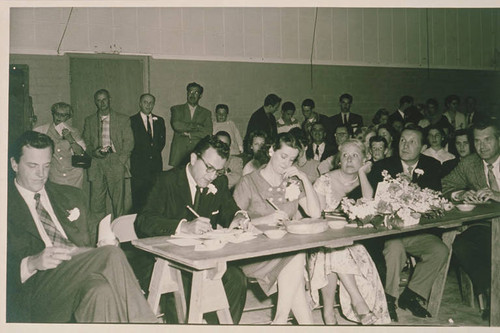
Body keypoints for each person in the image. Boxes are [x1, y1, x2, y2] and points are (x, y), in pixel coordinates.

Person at [7, 131, 156, 323]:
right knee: (111, 255)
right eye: (33, 166)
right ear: (14, 164)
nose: (41, 174)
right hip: (35, 291)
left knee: (101, 291)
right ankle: (146, 324)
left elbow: (96, 234)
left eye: (46, 166)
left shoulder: (71, 195)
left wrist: (109, 240)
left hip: (79, 274)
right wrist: (31, 263)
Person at [135, 135, 247, 324]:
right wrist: (183, 226)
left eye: (218, 171)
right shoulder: (165, 181)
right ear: (194, 159)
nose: (212, 176)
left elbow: (230, 209)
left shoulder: (218, 183)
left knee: (236, 280)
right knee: (181, 294)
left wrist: (239, 216)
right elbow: (143, 221)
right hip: (165, 261)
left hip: (202, 260)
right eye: (209, 168)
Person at [232, 132, 321, 324]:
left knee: (294, 259)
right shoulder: (249, 182)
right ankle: (281, 321)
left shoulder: (291, 182)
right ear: (271, 150)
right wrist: (266, 219)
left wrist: (304, 178)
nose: (287, 163)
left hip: (284, 249)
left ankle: (286, 322)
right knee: (295, 257)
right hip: (252, 251)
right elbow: (232, 226)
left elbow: (315, 212)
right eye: (283, 156)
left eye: (292, 159)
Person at [368, 125, 449, 322]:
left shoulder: (432, 165)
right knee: (395, 250)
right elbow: (374, 202)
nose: (405, 145)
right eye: (403, 140)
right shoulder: (383, 166)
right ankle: (389, 298)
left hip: (418, 230)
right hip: (391, 231)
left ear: (422, 147)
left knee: (440, 250)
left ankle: (411, 295)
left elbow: (433, 198)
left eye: (412, 142)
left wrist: (411, 187)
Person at [310, 139, 390, 325]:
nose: (349, 160)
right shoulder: (324, 181)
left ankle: (329, 314)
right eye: (345, 155)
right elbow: (317, 218)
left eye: (355, 156)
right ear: (339, 159)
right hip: (322, 241)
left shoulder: (368, 181)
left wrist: (362, 173)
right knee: (333, 250)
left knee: (336, 252)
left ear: (364, 159)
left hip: (355, 242)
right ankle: (357, 301)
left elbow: (369, 202)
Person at [442, 120, 500, 321]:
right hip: (487, 226)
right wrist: (461, 194)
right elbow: (445, 185)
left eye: (488, 140)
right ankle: (491, 293)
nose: (482, 146)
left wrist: (497, 194)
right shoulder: (470, 163)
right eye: (477, 141)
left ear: (499, 139)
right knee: (463, 244)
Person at [83, 89, 134, 220]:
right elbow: (85, 143)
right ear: (95, 102)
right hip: (96, 163)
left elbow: (129, 142)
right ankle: (98, 235)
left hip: (115, 162)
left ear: (109, 99)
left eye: (104, 99)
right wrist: (93, 152)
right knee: (96, 203)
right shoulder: (89, 120)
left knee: (118, 204)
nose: (102, 103)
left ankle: (120, 235)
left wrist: (121, 161)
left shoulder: (123, 119)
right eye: (99, 100)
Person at [33, 102, 86, 188]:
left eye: (63, 115)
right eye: (57, 113)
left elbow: (81, 153)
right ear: (53, 114)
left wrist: (70, 138)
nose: (59, 117)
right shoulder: (43, 130)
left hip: (74, 176)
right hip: (54, 175)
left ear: (68, 117)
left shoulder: (74, 131)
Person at [129, 93, 166, 213]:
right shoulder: (131, 121)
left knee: (154, 198)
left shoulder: (159, 120)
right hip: (138, 168)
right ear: (140, 103)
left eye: (151, 103)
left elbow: (161, 142)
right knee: (139, 200)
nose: (148, 105)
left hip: (155, 167)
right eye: (145, 102)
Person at [169, 82, 213, 167]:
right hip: (179, 153)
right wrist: (198, 126)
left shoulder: (206, 113)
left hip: (197, 152)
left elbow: (208, 132)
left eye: (196, 92)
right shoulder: (176, 109)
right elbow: (177, 125)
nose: (192, 95)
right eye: (190, 92)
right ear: (187, 93)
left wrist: (190, 134)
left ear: (200, 96)